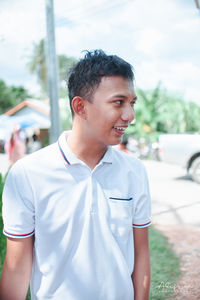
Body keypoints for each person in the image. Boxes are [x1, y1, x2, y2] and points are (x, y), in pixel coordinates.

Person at [0, 50, 151, 300]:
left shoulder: (134, 172)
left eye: (132, 103)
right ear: (80, 106)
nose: (130, 116)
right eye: (118, 102)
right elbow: (17, 269)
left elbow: (141, 255)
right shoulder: (27, 174)